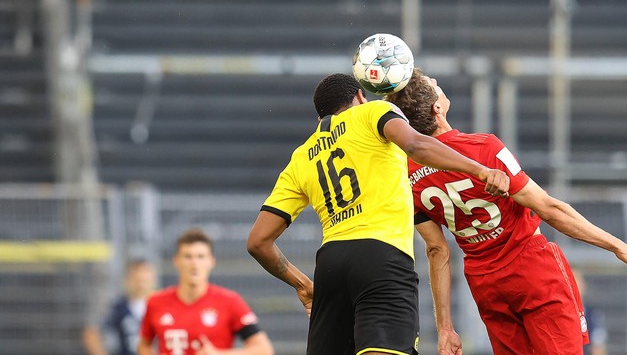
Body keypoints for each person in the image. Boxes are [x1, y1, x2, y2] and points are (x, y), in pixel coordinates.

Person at [385, 69, 627, 355]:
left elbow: (436, 250)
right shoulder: (483, 149)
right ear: (437, 108)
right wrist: (618, 246)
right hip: (531, 268)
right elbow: (549, 208)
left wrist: (445, 327)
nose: (437, 83)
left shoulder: (405, 173)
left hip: (484, 281)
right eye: (433, 84)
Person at [246, 73, 511, 355]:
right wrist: (480, 169)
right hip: (381, 259)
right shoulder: (373, 112)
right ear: (360, 96)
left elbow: (258, 242)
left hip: (329, 268)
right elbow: (416, 145)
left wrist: (304, 285)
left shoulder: (302, 156)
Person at [138, 228, 273, 355]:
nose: (194, 264)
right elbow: (144, 344)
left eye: (200, 256)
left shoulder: (230, 301)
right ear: (176, 261)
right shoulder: (156, 302)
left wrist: (219, 354)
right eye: (188, 256)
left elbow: (264, 349)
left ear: (211, 261)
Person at [82, 259, 157, 355]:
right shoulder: (119, 307)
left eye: (144, 279)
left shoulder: (163, 306)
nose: (140, 283)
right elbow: (91, 333)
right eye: (136, 279)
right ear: (128, 279)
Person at [573, 268, 609, 355]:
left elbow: (598, 347)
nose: (574, 287)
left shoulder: (592, 315)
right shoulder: (555, 314)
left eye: (577, 282)